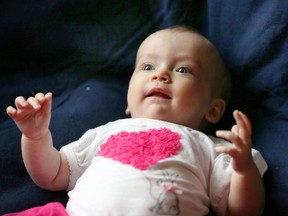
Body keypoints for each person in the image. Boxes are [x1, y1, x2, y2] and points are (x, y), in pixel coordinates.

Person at [5, 26, 267, 216]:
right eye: (147, 67)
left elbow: (242, 211)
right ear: (129, 103)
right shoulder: (107, 131)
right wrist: (36, 137)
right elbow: (52, 175)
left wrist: (243, 169)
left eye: (183, 70)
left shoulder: (211, 148)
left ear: (212, 110)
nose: (160, 75)